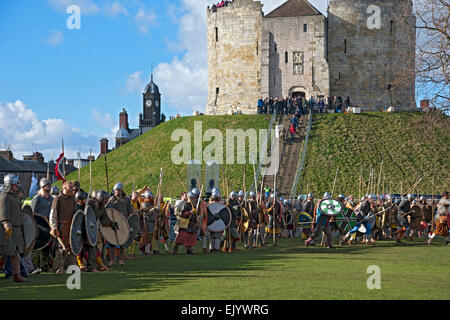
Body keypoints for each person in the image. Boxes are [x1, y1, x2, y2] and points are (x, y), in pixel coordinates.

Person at [0, 175, 29, 282]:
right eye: (16, 184)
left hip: (16, 229)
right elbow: (3, 212)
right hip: (7, 228)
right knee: (4, 252)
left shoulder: (13, 196)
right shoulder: (5, 197)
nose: (18, 186)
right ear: (11, 185)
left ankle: (17, 275)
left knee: (15, 253)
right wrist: (6, 224)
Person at [49, 181, 76, 274]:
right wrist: (54, 227)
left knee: (72, 247)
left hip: (71, 226)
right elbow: (53, 214)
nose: (72, 189)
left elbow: (76, 214)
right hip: (61, 226)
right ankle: (58, 268)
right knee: (60, 248)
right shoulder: (57, 199)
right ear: (64, 188)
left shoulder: (73, 199)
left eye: (72, 187)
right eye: (70, 187)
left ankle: (71, 267)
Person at [106, 182, 133, 265]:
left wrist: (130, 221)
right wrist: (108, 202)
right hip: (113, 223)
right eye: (116, 190)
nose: (117, 192)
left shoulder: (126, 199)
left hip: (123, 223)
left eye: (119, 190)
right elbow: (106, 210)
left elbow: (130, 211)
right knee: (112, 243)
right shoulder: (111, 199)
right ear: (114, 190)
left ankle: (121, 259)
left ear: (121, 191)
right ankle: (112, 260)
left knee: (122, 242)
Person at [30, 178, 54, 273]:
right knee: (37, 246)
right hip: (38, 226)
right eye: (47, 185)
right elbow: (32, 214)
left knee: (47, 246)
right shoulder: (37, 198)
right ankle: (34, 266)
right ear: (42, 187)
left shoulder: (52, 199)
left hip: (48, 226)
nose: (48, 187)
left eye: (49, 185)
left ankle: (44, 266)